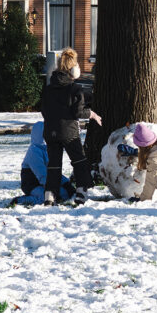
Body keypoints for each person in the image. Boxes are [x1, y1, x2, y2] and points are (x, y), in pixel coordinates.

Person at [41, 48, 103, 205]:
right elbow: (78, 112)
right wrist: (93, 114)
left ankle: (49, 195)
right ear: (73, 70)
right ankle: (81, 192)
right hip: (69, 132)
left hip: (50, 131)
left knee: (53, 164)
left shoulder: (48, 88)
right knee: (79, 161)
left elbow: (44, 110)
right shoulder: (75, 89)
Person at [16, 121, 77, 205]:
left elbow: (54, 170)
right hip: (31, 184)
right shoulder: (33, 151)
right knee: (44, 199)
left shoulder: (47, 149)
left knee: (64, 194)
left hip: (46, 182)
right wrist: (50, 189)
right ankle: (21, 200)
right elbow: (41, 173)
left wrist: (66, 183)